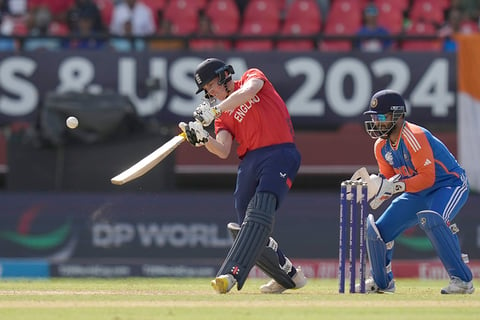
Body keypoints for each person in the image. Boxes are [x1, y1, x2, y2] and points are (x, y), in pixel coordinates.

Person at [178, 58, 307, 294]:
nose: (211, 92)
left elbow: (249, 92)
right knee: (245, 226)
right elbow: (223, 149)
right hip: (249, 162)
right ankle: (289, 275)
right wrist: (203, 139)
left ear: (225, 75)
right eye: (206, 90)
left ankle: (231, 273)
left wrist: (216, 109)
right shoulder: (222, 115)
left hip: (279, 151)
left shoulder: (251, 77)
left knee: (260, 211)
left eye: (211, 85)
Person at [356, 89, 474, 294]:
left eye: (382, 117)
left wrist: (395, 186)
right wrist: (378, 188)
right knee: (378, 231)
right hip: (418, 191)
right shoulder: (381, 146)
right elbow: (390, 179)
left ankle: (462, 281)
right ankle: (382, 282)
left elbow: (427, 177)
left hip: (449, 184)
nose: (377, 122)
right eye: (375, 117)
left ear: (398, 116)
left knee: (433, 219)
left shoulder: (415, 136)